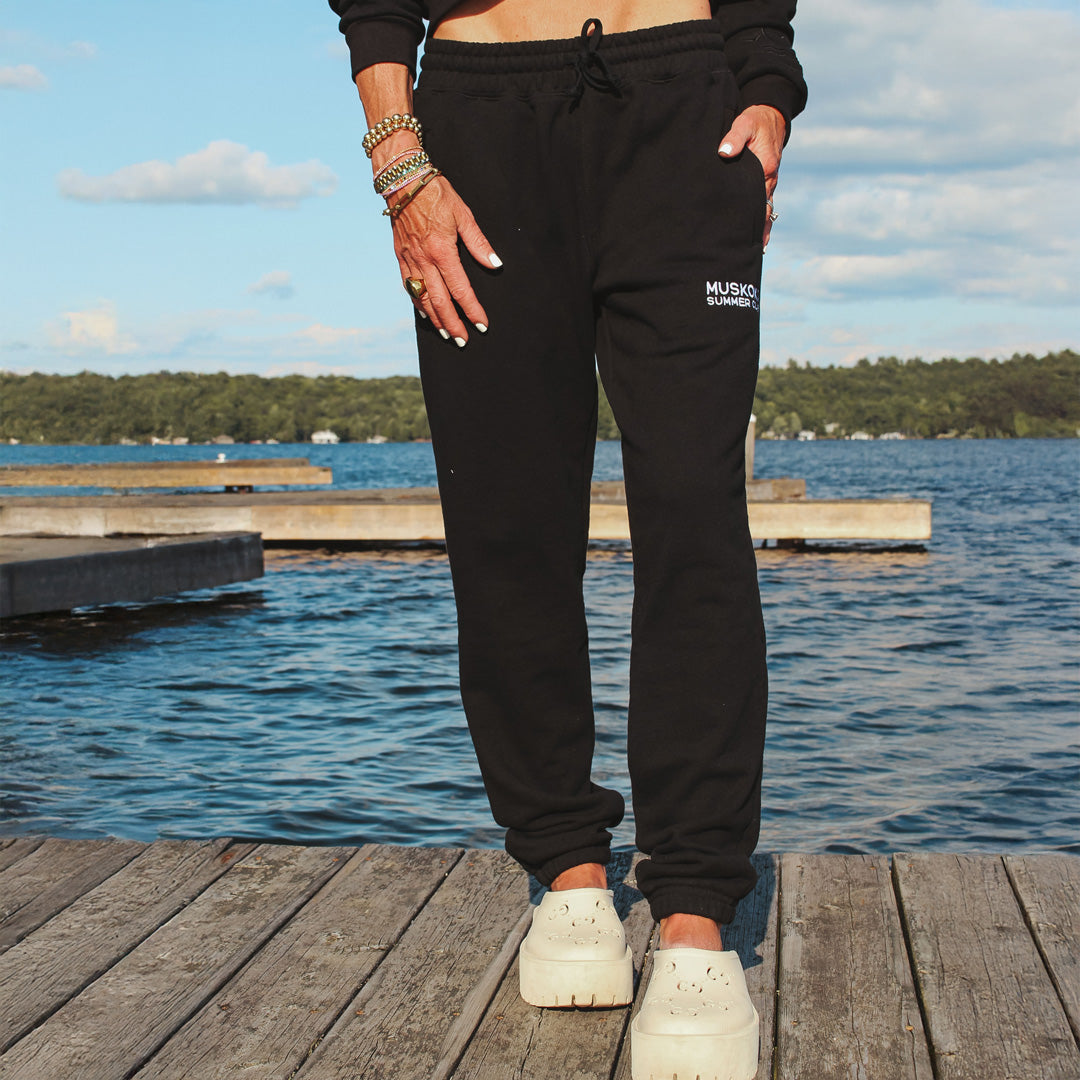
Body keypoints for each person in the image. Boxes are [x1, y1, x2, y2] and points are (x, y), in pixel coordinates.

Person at [328, 2, 805, 1076]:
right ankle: (570, 874)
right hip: (479, 127)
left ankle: (692, 910)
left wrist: (769, 92)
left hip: (686, 112)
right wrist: (401, 160)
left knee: (696, 519)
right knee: (507, 523)